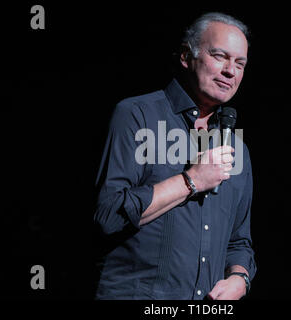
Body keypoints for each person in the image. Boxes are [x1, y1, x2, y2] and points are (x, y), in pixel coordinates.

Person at [93, 12, 256, 300]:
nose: (231, 71)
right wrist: (191, 180)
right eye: (220, 56)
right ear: (185, 56)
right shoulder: (137, 115)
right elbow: (108, 214)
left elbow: (239, 241)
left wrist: (239, 278)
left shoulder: (235, 146)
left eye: (240, 63)